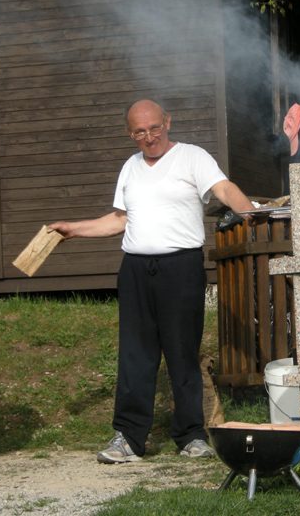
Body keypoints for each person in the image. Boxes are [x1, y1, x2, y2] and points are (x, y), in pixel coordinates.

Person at [50, 99, 253, 463]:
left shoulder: (192, 156)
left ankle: (191, 436)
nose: (149, 137)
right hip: (136, 270)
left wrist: (253, 213)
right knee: (135, 354)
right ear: (130, 134)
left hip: (181, 267)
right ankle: (129, 438)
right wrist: (74, 229)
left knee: (182, 352)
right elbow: (119, 219)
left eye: (154, 128)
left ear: (167, 122)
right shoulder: (130, 167)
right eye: (140, 132)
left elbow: (224, 189)